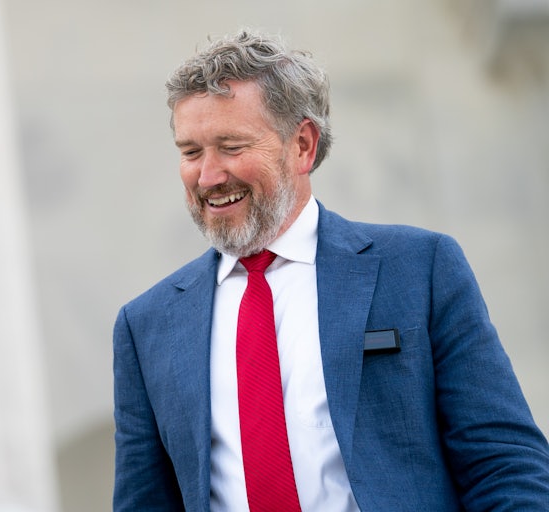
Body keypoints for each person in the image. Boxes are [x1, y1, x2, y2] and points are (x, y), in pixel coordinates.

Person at [112, 30, 549, 511]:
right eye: (191, 152)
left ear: (302, 145)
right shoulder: (145, 325)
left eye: (231, 146)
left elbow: (505, 466)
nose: (208, 175)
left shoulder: (419, 270)